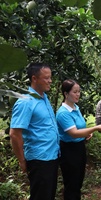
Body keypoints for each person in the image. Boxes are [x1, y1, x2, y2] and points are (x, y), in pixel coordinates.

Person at [9, 63, 60, 200]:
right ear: (34, 78)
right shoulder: (25, 101)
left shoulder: (43, 97)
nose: (50, 81)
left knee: (48, 195)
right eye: (46, 78)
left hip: (51, 156)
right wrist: (22, 161)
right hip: (39, 160)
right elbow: (14, 133)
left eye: (50, 77)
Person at [56, 79, 101, 200]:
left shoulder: (76, 107)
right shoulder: (63, 113)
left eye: (79, 91)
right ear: (66, 94)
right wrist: (95, 128)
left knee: (78, 181)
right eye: (75, 92)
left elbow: (79, 128)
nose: (78, 94)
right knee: (71, 183)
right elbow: (74, 133)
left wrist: (86, 134)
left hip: (79, 147)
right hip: (68, 150)